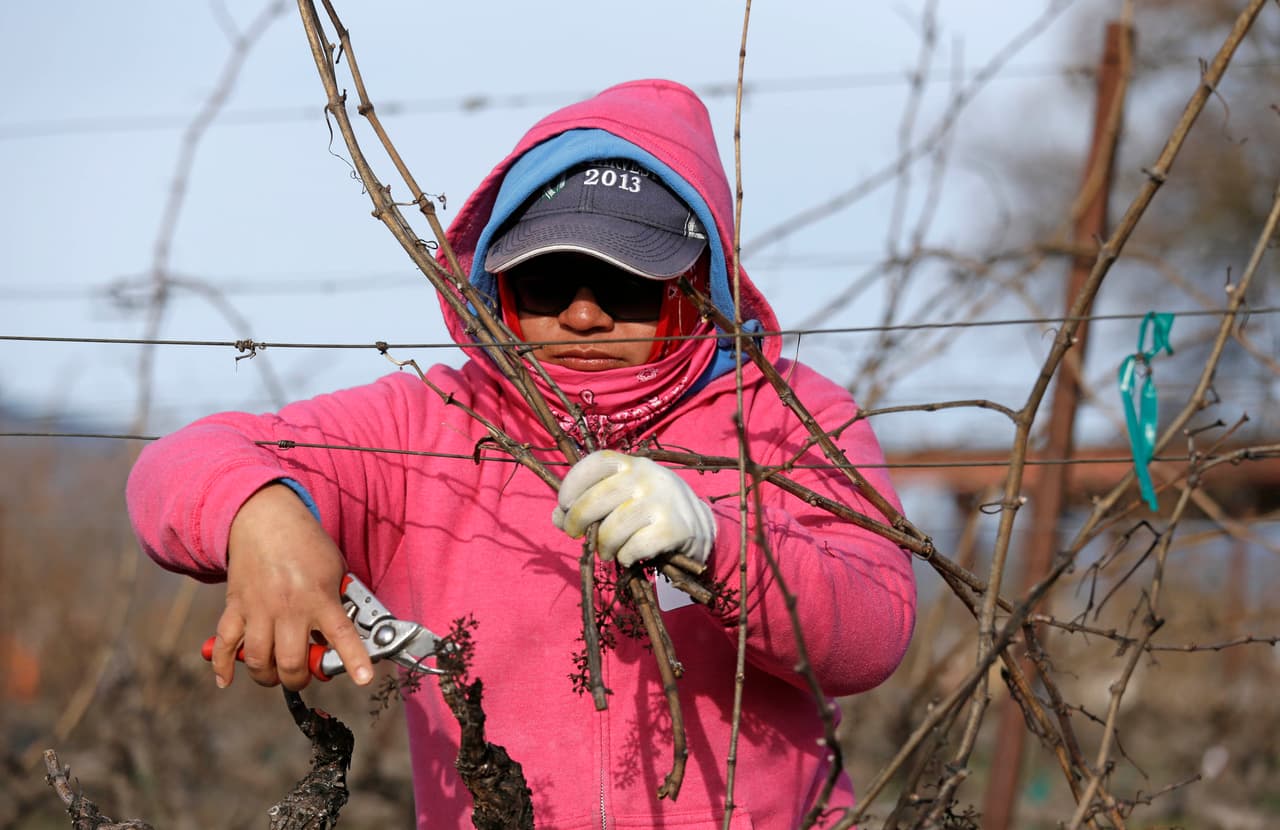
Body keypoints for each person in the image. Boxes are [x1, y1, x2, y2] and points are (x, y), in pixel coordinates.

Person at [127, 78, 917, 829]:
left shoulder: (787, 416)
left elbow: (873, 633)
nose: (581, 315)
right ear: (497, 285)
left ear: (697, 284)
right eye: (548, 280)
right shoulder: (429, 425)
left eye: (627, 282)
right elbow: (181, 464)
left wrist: (718, 545)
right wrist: (262, 518)